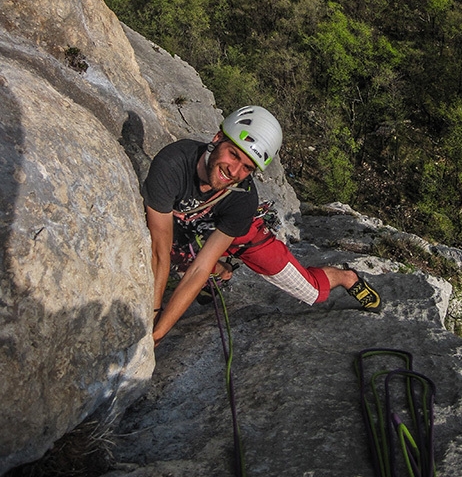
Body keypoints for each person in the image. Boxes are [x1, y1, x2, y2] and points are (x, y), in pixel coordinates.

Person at [144, 105, 381, 346]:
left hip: (241, 232)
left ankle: (344, 277)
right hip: (195, 231)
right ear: (217, 139)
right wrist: (154, 315)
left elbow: (199, 269)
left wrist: (157, 334)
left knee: (311, 292)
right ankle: (224, 271)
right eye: (233, 154)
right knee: (174, 256)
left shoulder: (243, 200)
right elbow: (158, 253)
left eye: (247, 167)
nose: (234, 171)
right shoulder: (173, 165)